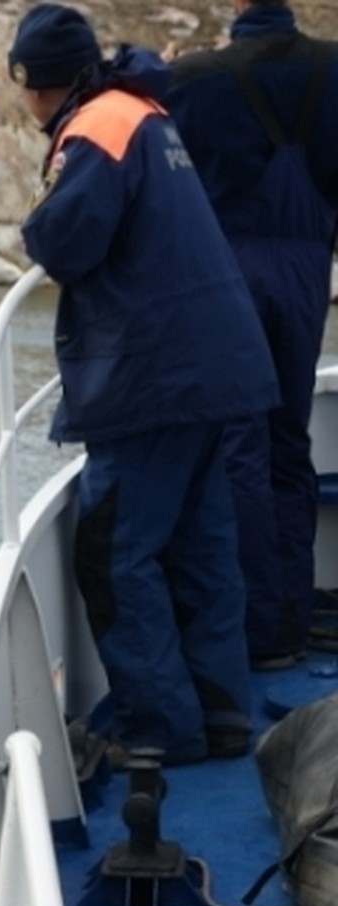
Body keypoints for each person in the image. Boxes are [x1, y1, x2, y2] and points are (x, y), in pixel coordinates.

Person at [6, 4, 280, 763]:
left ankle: (156, 726)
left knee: (115, 549)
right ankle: (223, 713)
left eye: (23, 83)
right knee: (200, 546)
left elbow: (65, 240)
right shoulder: (146, 115)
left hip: (153, 372)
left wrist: (33, 222)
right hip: (212, 365)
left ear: (37, 82)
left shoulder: (96, 129)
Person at [166, 3, 338, 669]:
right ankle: (293, 615)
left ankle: (253, 627)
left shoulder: (199, 77)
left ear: (237, 6)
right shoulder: (332, 68)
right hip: (306, 269)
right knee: (288, 441)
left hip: (229, 269)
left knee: (238, 443)